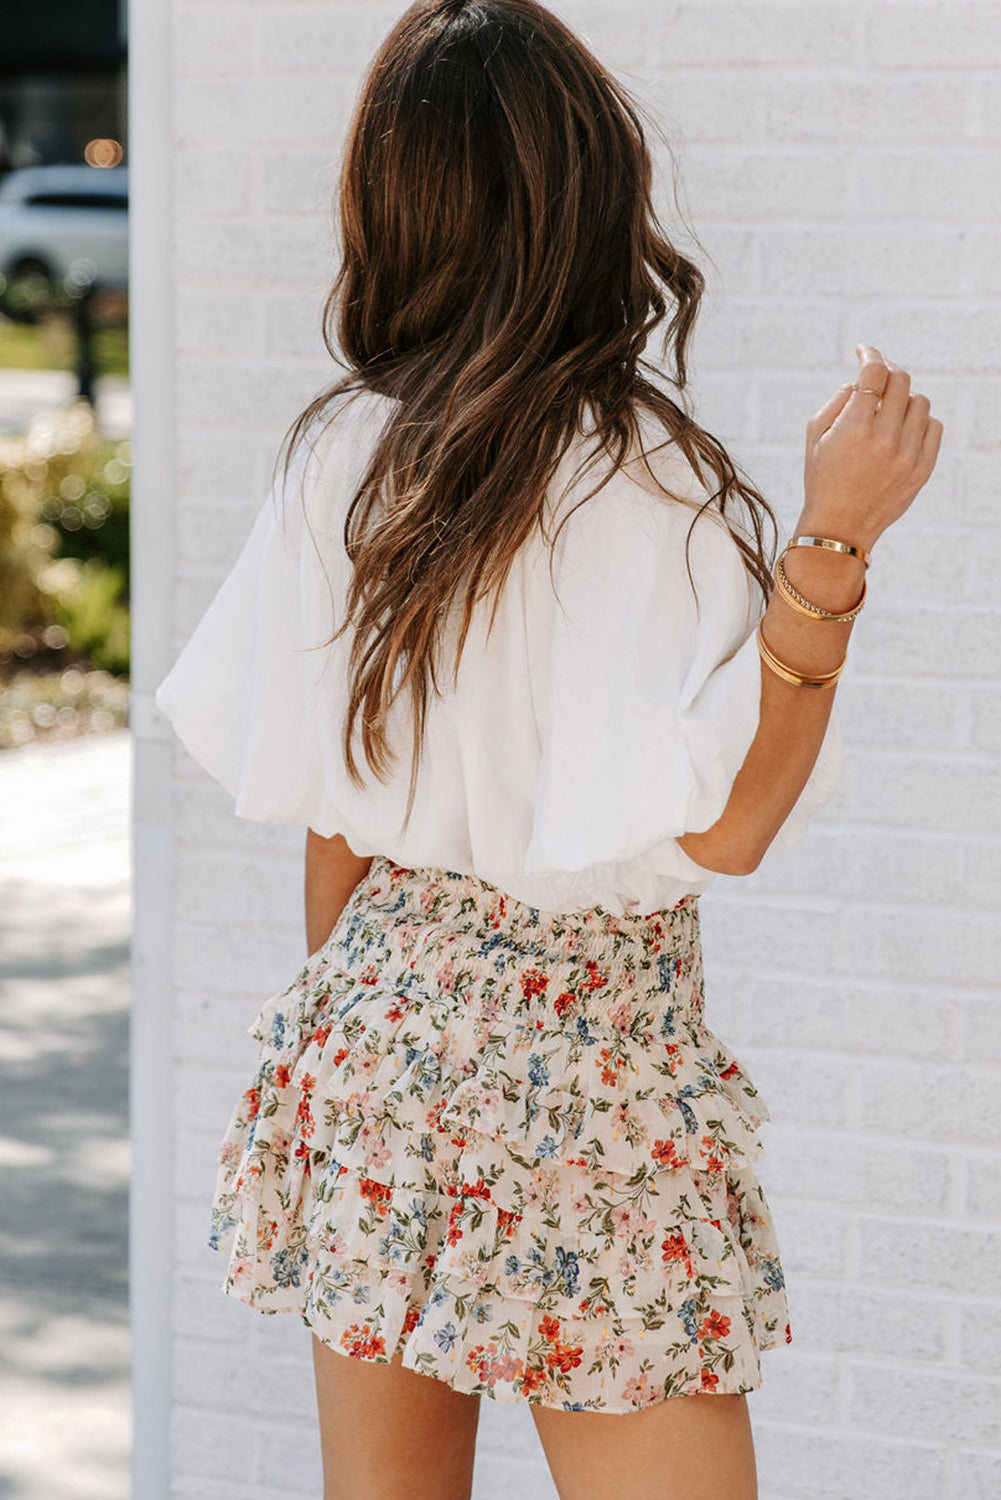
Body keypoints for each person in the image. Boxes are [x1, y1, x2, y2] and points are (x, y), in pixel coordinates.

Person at [154, 2, 943, 1497]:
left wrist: (357, 1046)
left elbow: (335, 820)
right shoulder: (655, 482)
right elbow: (728, 829)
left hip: (372, 1032)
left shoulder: (344, 456)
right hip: (593, 1073)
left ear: (397, 206)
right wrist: (834, 537)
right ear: (593, 194)